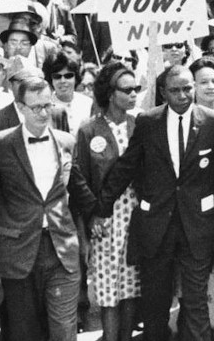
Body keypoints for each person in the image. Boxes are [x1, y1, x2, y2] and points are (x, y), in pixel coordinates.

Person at [95, 65, 214, 341]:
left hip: (198, 228)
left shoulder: (213, 122)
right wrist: (101, 210)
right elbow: (125, 169)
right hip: (156, 228)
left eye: (188, 88)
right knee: (155, 305)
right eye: (176, 90)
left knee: (196, 302)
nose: (183, 95)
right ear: (164, 93)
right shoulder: (148, 122)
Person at [0, 77, 97, 341]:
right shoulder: (1, 143)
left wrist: (99, 214)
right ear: (20, 108)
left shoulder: (65, 141)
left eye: (47, 106)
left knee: (64, 330)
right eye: (35, 107)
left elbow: (77, 186)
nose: (43, 113)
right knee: (26, 332)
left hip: (61, 246)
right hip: (18, 250)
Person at [74, 62, 141, 341]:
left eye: (136, 88)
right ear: (111, 94)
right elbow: (79, 179)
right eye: (127, 90)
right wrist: (92, 218)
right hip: (105, 222)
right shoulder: (90, 130)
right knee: (108, 291)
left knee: (130, 288)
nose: (134, 94)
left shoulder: (139, 124)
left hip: (135, 217)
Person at [45, 51, 93, 131]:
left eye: (68, 76)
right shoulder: (45, 107)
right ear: (51, 80)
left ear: (75, 78)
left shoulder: (88, 103)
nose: (63, 81)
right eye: (57, 77)